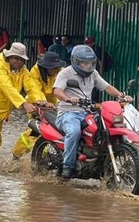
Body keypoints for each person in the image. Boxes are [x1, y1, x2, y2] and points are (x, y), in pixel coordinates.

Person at [53, 45, 131, 179]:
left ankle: (99, 161)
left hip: (87, 111)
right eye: (84, 63)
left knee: (103, 129)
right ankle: (68, 166)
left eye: (90, 63)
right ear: (76, 62)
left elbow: (106, 87)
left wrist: (121, 96)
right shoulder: (65, 73)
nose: (88, 66)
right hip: (68, 112)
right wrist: (68, 99)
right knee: (74, 131)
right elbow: (57, 91)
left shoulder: (93, 73)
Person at [0, 42, 53, 168]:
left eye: (21, 59)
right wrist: (24, 103)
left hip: (1, 110)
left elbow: (31, 86)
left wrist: (41, 100)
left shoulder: (23, 70)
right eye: (15, 58)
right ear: (9, 57)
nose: (18, 62)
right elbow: (7, 87)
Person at [11, 51, 66, 159]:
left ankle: (45, 157)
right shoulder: (35, 72)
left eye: (56, 67)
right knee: (36, 132)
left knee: (55, 131)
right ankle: (17, 154)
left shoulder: (61, 72)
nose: (55, 69)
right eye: (53, 67)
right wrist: (42, 102)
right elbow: (34, 89)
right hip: (36, 104)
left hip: (53, 105)